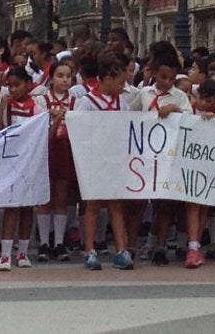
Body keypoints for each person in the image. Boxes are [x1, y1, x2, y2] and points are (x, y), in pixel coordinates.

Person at [74, 50, 134, 271]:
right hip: (93, 161)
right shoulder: (87, 102)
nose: (123, 87)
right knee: (92, 205)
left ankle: (121, 250)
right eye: (120, 82)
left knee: (116, 205)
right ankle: (90, 249)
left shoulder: (122, 103)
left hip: (115, 161)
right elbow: (78, 129)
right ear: (107, 78)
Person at [132, 50, 192, 266]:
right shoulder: (144, 93)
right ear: (154, 73)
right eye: (162, 77)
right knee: (142, 202)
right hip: (145, 155)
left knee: (165, 203)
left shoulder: (180, 96)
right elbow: (131, 116)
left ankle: (160, 246)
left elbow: (190, 122)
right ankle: (138, 243)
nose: (166, 82)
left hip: (169, 156)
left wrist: (175, 109)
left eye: (170, 78)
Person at [0, 66, 40, 271]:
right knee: (11, 206)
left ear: (28, 85)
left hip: (29, 161)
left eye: (17, 85)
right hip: (10, 161)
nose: (12, 90)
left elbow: (41, 133)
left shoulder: (36, 107)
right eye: (9, 85)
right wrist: (2, 107)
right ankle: (5, 254)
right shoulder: (6, 105)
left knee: (27, 207)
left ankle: (23, 251)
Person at [34, 61, 77, 263]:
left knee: (61, 196)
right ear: (51, 78)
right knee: (44, 197)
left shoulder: (78, 102)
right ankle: (44, 242)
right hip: (45, 148)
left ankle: (59, 242)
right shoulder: (41, 100)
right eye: (60, 75)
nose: (65, 80)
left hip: (66, 149)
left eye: (68, 76)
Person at [184, 79, 215, 268]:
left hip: (209, 166)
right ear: (197, 96)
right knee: (193, 205)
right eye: (202, 99)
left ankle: (196, 244)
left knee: (203, 208)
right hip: (189, 165)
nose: (205, 104)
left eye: (209, 101)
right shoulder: (189, 111)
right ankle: (192, 246)